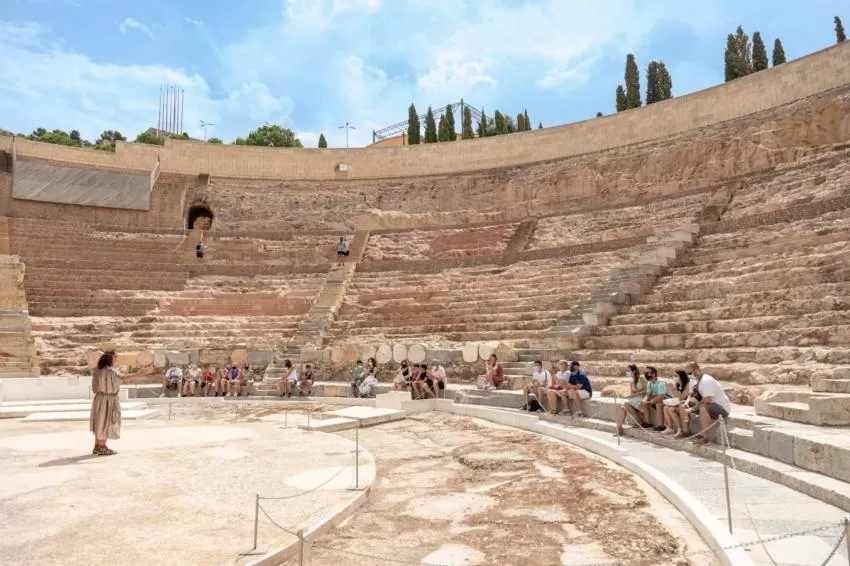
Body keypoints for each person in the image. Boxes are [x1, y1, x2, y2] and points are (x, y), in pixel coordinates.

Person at [686, 361, 732, 445]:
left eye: (689, 373)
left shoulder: (706, 380)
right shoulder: (698, 380)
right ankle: (685, 431)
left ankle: (705, 437)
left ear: (696, 370)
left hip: (722, 409)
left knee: (703, 408)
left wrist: (692, 409)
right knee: (687, 405)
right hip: (712, 405)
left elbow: (707, 400)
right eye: (687, 373)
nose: (689, 375)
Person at [90, 350, 122, 456]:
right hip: (108, 400)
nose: (115, 360)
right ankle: (102, 447)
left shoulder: (97, 370)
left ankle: (97, 446)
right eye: (114, 358)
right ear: (110, 359)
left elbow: (94, 388)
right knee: (105, 422)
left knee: (99, 422)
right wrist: (140, 374)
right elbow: (123, 379)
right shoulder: (110, 371)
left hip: (99, 399)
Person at [614, 364, 648, 436]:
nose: (628, 372)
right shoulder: (632, 382)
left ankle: (620, 428)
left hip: (643, 397)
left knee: (625, 405)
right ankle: (619, 428)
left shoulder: (641, 378)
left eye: (629, 371)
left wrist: (635, 394)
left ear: (634, 371)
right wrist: (631, 395)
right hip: (635, 399)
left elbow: (646, 390)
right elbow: (632, 393)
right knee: (623, 407)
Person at [640, 367, 671, 431]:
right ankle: (648, 423)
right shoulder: (650, 383)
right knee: (644, 403)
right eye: (645, 373)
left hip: (666, 400)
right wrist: (644, 401)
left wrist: (649, 402)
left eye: (647, 373)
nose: (646, 375)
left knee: (658, 404)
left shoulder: (661, 383)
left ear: (654, 374)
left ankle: (661, 425)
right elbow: (648, 394)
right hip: (656, 399)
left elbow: (660, 397)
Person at [662, 370, 691, 435]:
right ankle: (670, 428)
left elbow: (681, 398)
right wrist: (671, 389)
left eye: (676, 376)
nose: (674, 377)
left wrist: (673, 389)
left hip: (685, 403)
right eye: (674, 375)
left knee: (670, 409)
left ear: (681, 377)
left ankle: (680, 429)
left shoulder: (687, 385)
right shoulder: (677, 384)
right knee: (665, 408)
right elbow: (674, 397)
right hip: (678, 403)